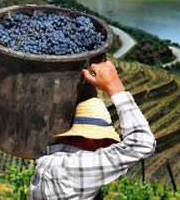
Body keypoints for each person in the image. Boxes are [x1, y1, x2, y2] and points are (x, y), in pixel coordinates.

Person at [29, 61, 156, 199]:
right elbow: (142, 144)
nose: (107, 147)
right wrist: (115, 86)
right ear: (95, 140)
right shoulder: (72, 168)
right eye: (106, 143)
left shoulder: (47, 159)